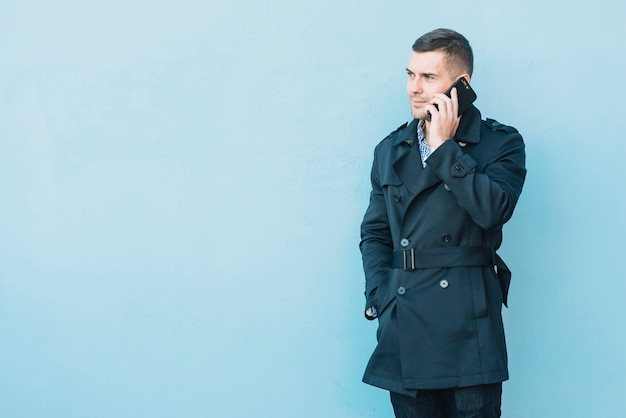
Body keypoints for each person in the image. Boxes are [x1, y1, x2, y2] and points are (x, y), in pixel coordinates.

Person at [359, 28, 526, 418]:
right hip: (405, 326)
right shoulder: (390, 149)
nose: (414, 88)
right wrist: (379, 297)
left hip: (468, 328)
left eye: (429, 77)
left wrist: (443, 148)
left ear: (461, 85)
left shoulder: (500, 143)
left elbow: (493, 210)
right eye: (410, 74)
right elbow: (375, 233)